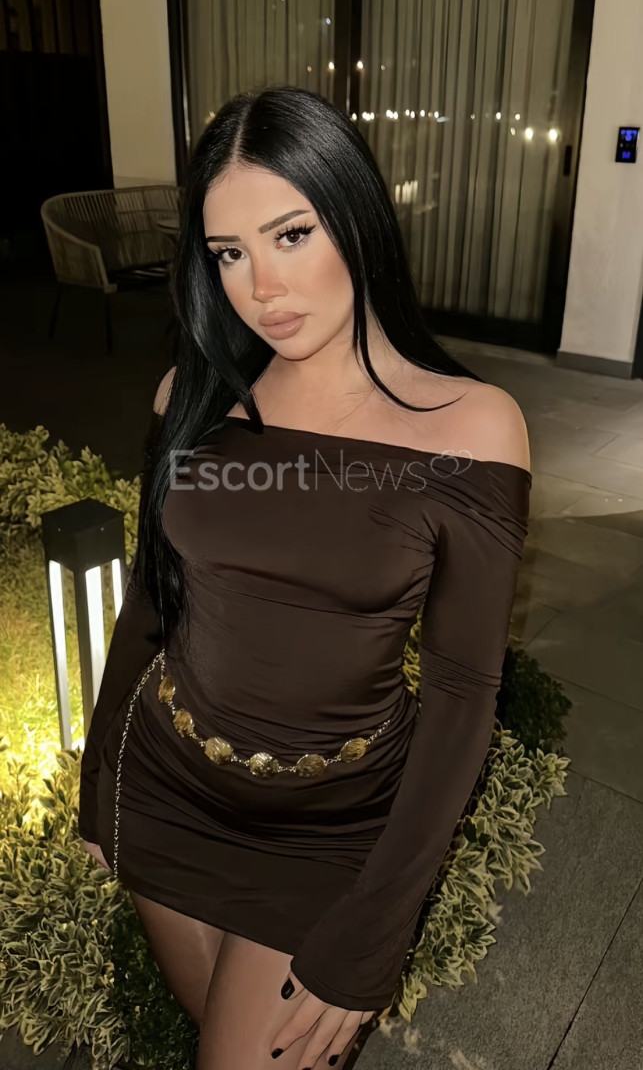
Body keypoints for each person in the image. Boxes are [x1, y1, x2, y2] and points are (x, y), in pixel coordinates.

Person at [78, 84, 531, 1070]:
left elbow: (462, 696)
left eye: (290, 234)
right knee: (215, 1028)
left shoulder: (470, 428)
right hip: (168, 785)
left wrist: (376, 927)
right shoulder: (193, 396)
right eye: (228, 252)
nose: (261, 287)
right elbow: (151, 606)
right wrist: (99, 775)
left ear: (356, 219)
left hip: (331, 827)